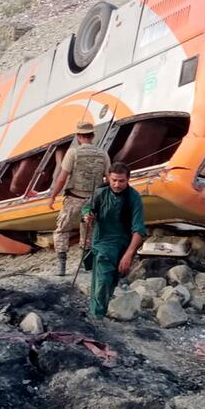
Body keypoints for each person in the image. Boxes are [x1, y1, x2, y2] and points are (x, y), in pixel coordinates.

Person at [81, 162, 146, 319]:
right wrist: (87, 216)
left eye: (121, 181)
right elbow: (87, 209)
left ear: (128, 179)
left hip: (123, 245)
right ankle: (97, 317)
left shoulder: (134, 197)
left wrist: (128, 255)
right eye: (114, 180)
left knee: (110, 281)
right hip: (102, 242)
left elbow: (138, 230)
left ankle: (97, 312)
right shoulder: (100, 193)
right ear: (108, 178)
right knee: (102, 280)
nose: (117, 184)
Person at [48, 121, 110, 276]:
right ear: (93, 136)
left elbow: (62, 178)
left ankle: (61, 267)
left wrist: (53, 196)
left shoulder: (72, 153)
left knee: (62, 230)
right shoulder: (103, 154)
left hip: (74, 198)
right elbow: (109, 178)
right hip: (93, 200)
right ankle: (86, 265)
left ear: (78, 136)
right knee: (88, 231)